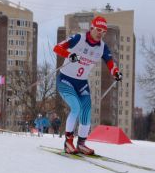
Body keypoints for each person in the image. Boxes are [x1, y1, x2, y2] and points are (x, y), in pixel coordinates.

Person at [52, 15, 122, 154]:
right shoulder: (79, 38)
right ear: (91, 28)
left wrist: (115, 72)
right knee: (76, 108)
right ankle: (68, 142)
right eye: (98, 30)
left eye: (103, 31)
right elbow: (57, 48)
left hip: (81, 83)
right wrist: (69, 55)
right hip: (66, 79)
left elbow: (110, 62)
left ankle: (82, 143)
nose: (100, 33)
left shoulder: (102, 47)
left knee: (87, 110)